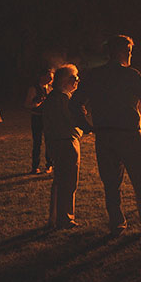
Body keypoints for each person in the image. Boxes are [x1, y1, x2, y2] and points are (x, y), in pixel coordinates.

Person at [74, 35, 141, 232]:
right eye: (130, 51)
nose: (131, 55)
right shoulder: (130, 75)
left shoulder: (94, 75)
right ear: (123, 52)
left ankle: (117, 222)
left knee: (111, 182)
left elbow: (75, 103)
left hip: (105, 136)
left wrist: (88, 126)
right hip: (129, 135)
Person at [43, 65, 90, 229]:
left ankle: (55, 217)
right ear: (65, 80)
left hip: (56, 141)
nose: (77, 81)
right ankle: (65, 218)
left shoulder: (52, 97)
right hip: (67, 142)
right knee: (68, 182)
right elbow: (74, 119)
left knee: (60, 180)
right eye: (74, 78)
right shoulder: (64, 99)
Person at [24, 69, 54, 174]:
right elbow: (27, 105)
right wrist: (37, 103)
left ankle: (49, 165)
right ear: (42, 77)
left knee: (49, 142)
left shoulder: (51, 89)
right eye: (49, 77)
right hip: (37, 118)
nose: (51, 80)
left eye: (52, 78)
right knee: (37, 143)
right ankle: (35, 166)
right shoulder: (34, 89)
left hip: (47, 118)